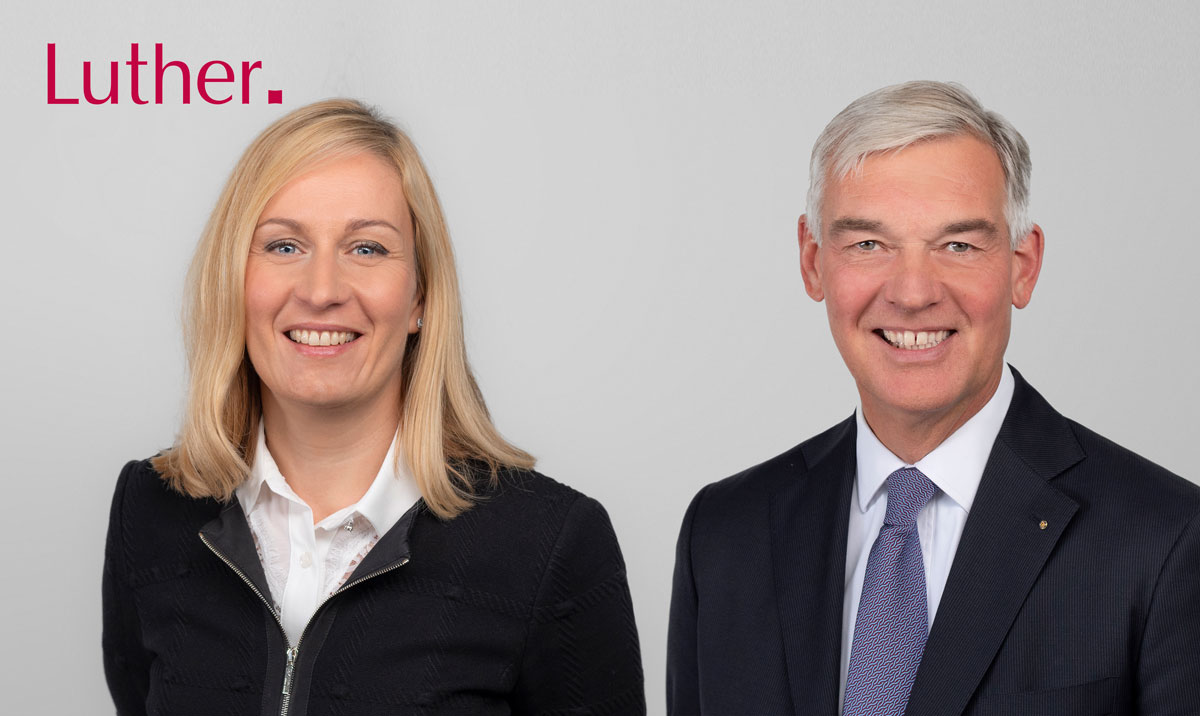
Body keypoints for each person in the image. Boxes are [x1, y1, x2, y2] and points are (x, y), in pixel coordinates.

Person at [666, 81, 1200, 715]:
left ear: (1022, 266)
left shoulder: (1168, 539)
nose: (913, 292)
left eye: (958, 246)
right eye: (869, 244)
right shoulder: (725, 535)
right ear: (813, 261)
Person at [103, 99, 645, 715]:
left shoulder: (549, 543)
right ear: (232, 281)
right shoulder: (148, 511)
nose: (322, 290)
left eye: (367, 249)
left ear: (420, 297)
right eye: (282, 246)